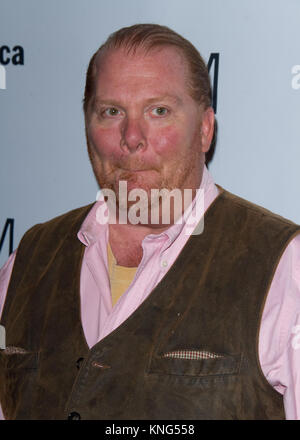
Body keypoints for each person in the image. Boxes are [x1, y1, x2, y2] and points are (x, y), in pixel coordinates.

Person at [0, 23, 300, 420]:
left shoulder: (281, 265)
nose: (132, 137)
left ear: (205, 129)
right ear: (87, 126)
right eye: (111, 112)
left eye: (159, 111)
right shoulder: (31, 259)